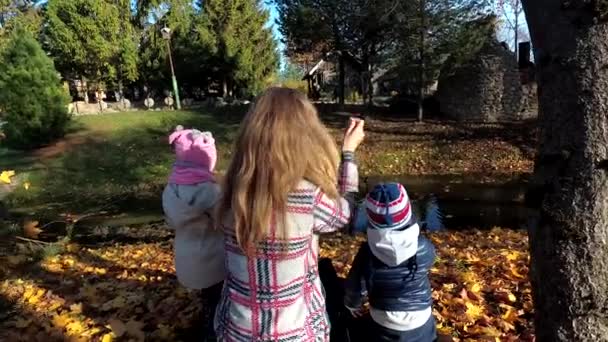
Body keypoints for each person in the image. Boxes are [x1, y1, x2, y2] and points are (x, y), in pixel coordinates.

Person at [214, 87, 365, 341]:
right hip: (296, 333)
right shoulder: (308, 195)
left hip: (236, 331)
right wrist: (348, 154)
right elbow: (345, 213)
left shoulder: (230, 190)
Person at [344, 182, 437, 342]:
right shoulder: (423, 246)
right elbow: (430, 262)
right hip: (420, 317)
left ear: (371, 219)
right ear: (408, 212)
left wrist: (353, 304)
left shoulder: (367, 251)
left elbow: (356, 283)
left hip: (383, 319)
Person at [162, 125, 224, 340]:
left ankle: (208, 322)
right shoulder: (210, 190)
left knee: (208, 298)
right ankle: (214, 332)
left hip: (188, 261)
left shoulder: (171, 189)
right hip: (215, 261)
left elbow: (171, 220)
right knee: (219, 301)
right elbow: (227, 220)